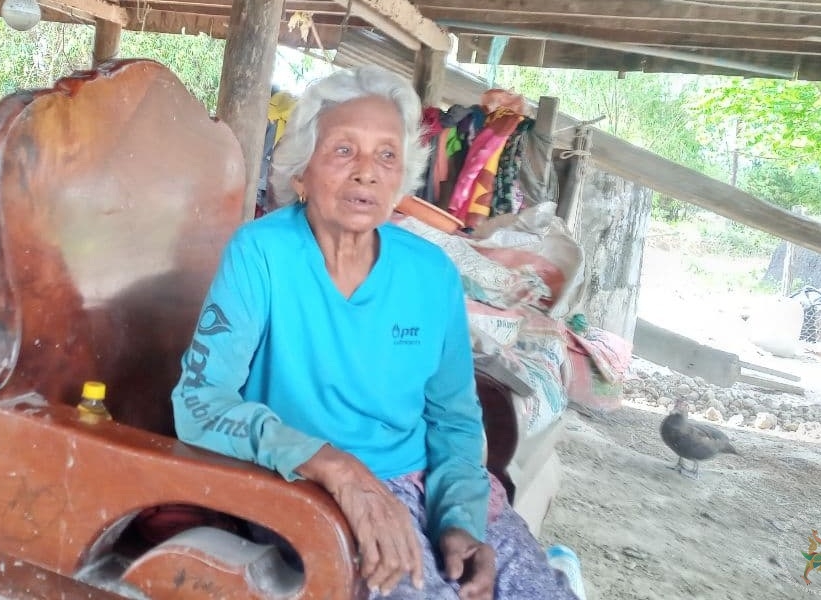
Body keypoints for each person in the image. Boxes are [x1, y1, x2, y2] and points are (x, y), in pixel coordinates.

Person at [170, 65, 580, 600]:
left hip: (426, 487)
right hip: (309, 490)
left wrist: (460, 521)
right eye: (344, 150)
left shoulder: (431, 273)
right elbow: (199, 403)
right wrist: (336, 466)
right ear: (302, 171)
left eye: (386, 155)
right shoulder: (261, 253)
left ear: (402, 177)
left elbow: (454, 418)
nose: (366, 172)